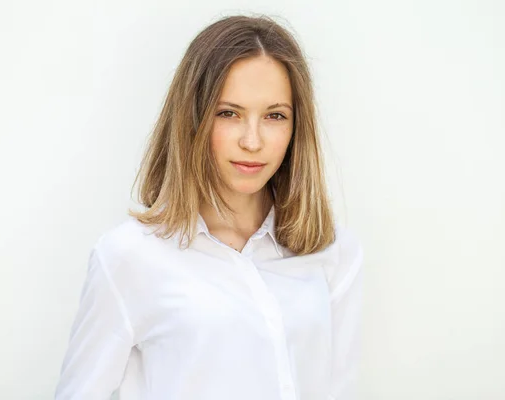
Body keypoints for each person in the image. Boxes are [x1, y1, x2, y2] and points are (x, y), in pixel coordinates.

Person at [55, 14, 364, 400]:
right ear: (193, 119)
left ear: (296, 127)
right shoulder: (128, 258)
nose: (253, 141)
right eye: (228, 113)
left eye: (275, 116)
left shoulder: (334, 253)